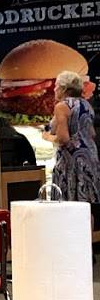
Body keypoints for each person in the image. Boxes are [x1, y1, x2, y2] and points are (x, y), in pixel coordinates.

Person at [49, 70, 100, 206]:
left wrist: (47, 137)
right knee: (87, 206)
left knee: (68, 206)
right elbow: (92, 133)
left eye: (56, 85)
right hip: (89, 158)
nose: (54, 89)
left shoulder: (62, 106)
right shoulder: (87, 105)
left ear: (64, 88)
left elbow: (63, 138)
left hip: (71, 163)